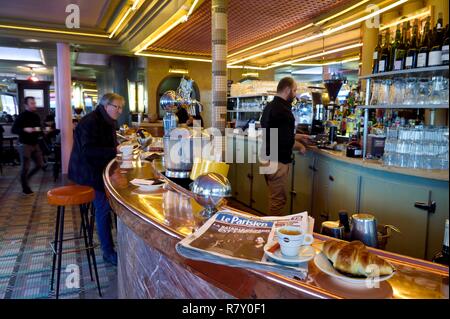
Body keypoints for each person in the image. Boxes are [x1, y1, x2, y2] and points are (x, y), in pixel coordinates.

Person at [68, 93, 124, 266]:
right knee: (104, 207)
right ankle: (108, 252)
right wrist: (116, 152)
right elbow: (88, 152)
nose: (120, 111)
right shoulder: (90, 122)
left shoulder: (107, 120)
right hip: (86, 173)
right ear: (106, 105)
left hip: (99, 169)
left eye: (121, 108)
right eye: (117, 107)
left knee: (117, 199)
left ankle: (120, 243)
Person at [260, 77, 307, 215]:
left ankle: (271, 229)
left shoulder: (270, 107)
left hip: (267, 158)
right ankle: (273, 233)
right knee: (278, 202)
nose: (295, 94)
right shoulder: (284, 111)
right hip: (278, 161)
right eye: (294, 90)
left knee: (273, 198)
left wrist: (298, 137)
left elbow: (275, 134)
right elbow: (285, 141)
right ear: (287, 90)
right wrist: (301, 146)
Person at [11, 97, 45, 195]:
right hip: (24, 144)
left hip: (35, 144)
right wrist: (24, 130)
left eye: (34, 103)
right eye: (32, 103)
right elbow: (14, 129)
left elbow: (38, 128)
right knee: (25, 167)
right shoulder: (21, 116)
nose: (34, 105)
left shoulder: (36, 116)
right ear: (26, 105)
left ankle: (25, 179)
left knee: (40, 165)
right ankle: (25, 188)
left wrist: (43, 132)